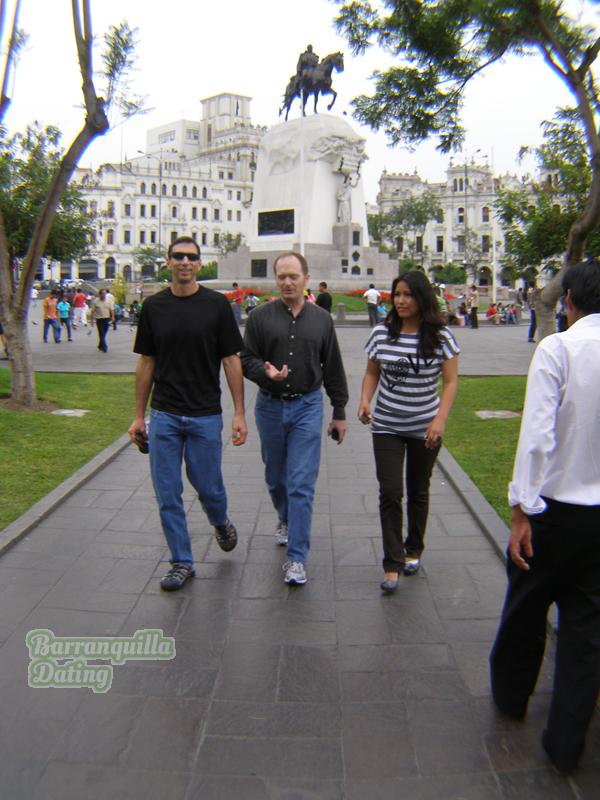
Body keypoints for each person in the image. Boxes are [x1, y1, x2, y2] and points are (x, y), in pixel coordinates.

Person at [489, 260, 600, 775]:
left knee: (526, 610)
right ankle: (566, 741)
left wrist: (520, 508)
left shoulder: (559, 348)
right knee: (586, 634)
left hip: (554, 511)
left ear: (570, 300)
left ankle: (512, 698)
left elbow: (536, 436)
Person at [128, 236, 248, 591]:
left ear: (199, 263)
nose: (184, 262)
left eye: (191, 257)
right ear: (168, 262)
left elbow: (231, 360)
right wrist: (139, 415)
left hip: (204, 415)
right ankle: (181, 561)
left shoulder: (216, 306)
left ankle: (220, 519)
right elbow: (146, 362)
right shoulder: (154, 307)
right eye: (177, 256)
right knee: (167, 492)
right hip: (164, 413)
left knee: (208, 485)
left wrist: (239, 413)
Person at [241, 251, 348, 586]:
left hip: (307, 405)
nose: (287, 282)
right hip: (270, 407)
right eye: (282, 276)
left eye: (293, 276)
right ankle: (285, 518)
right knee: (276, 477)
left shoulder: (321, 319)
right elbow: (244, 359)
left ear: (306, 278)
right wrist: (264, 371)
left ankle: (296, 558)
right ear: (276, 280)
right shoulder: (259, 317)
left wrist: (339, 411)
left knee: (301, 483)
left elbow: (332, 366)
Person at [358, 271, 459, 594]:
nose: (401, 301)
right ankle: (392, 562)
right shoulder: (381, 333)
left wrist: (439, 419)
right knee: (390, 492)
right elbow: (372, 372)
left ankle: (413, 548)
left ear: (422, 299)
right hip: (387, 425)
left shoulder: (440, 337)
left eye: (408, 295)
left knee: (418, 490)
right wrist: (364, 399)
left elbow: (452, 381)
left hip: (425, 427)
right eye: (397, 294)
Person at [90, 288, 114, 353]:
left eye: (105, 294)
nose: (104, 295)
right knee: (101, 333)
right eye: (102, 294)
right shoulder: (96, 301)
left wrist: (113, 317)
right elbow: (92, 311)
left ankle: (100, 345)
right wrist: (92, 320)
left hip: (106, 319)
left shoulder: (109, 301)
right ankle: (104, 347)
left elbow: (111, 309)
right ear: (99, 294)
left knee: (104, 333)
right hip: (99, 319)